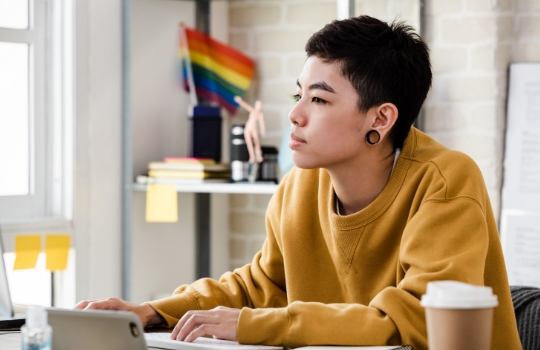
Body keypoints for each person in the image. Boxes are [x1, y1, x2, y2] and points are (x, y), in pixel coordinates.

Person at [74, 16, 522, 350]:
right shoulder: (299, 185)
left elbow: (410, 323)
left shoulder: (445, 182)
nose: (295, 114)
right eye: (298, 94)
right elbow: (259, 285)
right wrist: (151, 312)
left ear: (381, 119)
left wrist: (254, 325)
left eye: (320, 99)